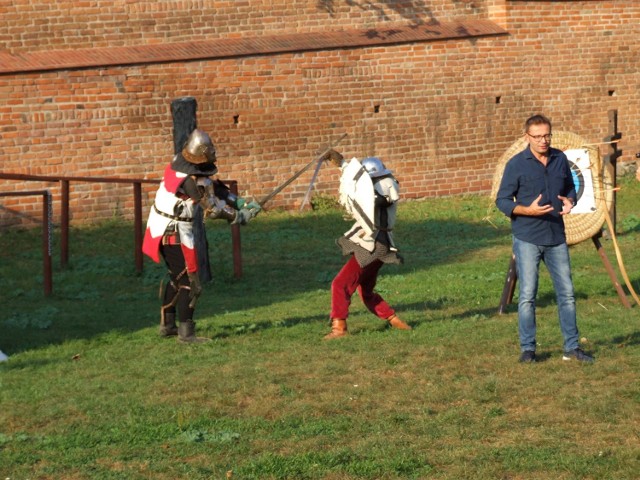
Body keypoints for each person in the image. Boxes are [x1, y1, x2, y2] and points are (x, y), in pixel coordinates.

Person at [142, 129, 260, 343]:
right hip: (173, 232)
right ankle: (186, 333)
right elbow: (212, 208)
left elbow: (213, 186)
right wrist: (239, 216)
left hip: (163, 226)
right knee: (190, 282)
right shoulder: (189, 181)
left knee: (177, 278)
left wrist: (238, 201)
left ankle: (168, 325)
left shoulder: (179, 162)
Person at [496, 114, 594, 363]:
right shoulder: (516, 164)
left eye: (547, 135)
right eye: (537, 136)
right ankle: (528, 349)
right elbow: (503, 201)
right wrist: (527, 210)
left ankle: (572, 347)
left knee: (567, 294)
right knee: (528, 295)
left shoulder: (560, 158)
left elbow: (570, 187)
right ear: (527, 136)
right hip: (527, 236)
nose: (543, 140)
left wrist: (571, 200)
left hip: (556, 236)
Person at [321, 151, 412, 339]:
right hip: (380, 246)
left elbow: (367, 196)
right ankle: (394, 320)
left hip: (373, 246)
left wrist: (346, 169)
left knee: (340, 284)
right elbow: (361, 186)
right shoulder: (379, 185)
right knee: (365, 290)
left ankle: (339, 328)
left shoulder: (385, 190)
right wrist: (342, 164)